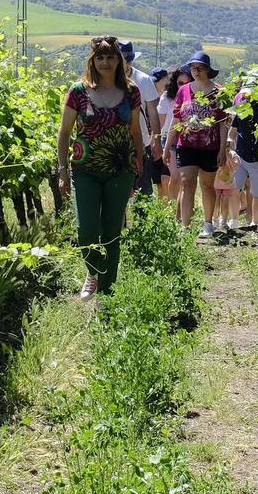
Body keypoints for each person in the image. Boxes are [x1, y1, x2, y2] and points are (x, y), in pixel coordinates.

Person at [57, 36, 145, 300]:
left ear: (119, 61)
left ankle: (107, 297)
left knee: (111, 233)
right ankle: (93, 271)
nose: (105, 62)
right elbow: (64, 133)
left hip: (121, 170)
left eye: (111, 57)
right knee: (86, 232)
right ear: (92, 61)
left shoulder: (131, 92)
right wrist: (62, 170)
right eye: (100, 57)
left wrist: (138, 167)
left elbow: (136, 132)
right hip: (84, 171)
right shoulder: (78, 90)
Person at [169, 51, 230, 241]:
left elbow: (223, 122)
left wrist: (222, 150)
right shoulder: (183, 90)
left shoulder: (219, 92)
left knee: (207, 185)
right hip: (186, 144)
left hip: (210, 147)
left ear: (208, 70)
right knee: (187, 183)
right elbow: (176, 118)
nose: (196, 71)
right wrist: (166, 147)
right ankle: (185, 227)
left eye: (200, 68)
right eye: (193, 68)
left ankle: (208, 224)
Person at [118, 40, 164, 196]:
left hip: (141, 143)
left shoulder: (144, 80)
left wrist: (156, 140)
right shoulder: (108, 82)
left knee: (144, 189)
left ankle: (143, 221)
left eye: (128, 59)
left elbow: (153, 113)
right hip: (115, 144)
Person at [230, 91, 258, 232]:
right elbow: (232, 132)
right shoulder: (240, 110)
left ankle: (254, 223)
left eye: (250, 94)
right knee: (234, 189)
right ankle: (234, 220)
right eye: (245, 95)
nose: (247, 97)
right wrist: (230, 150)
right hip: (240, 157)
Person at [159, 67, 189, 202]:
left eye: (187, 83)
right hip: (169, 138)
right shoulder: (167, 97)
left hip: (187, 138)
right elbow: (161, 121)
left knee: (184, 178)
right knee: (175, 176)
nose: (183, 86)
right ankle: (172, 206)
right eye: (180, 83)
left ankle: (181, 207)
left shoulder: (193, 96)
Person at [149, 66, 173, 199]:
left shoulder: (169, 96)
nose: (155, 84)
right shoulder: (151, 99)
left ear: (166, 80)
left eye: (157, 81)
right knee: (158, 181)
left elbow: (160, 123)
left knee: (166, 179)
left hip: (167, 141)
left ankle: (171, 209)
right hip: (157, 140)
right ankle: (162, 210)